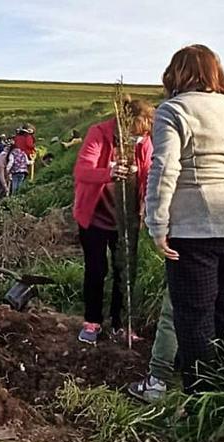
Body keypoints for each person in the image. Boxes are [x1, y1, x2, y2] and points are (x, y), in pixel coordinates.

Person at [145, 45, 224, 394]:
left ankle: (203, 399)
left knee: (194, 316)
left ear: (176, 74)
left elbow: (165, 168)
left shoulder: (173, 110)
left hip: (196, 228)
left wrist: (156, 225)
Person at [128, 219, 224, 402]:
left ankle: (160, 381)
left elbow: (163, 191)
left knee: (177, 312)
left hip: (198, 239)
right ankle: (219, 391)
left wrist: (158, 227)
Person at [72, 99, 155, 344]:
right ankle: (92, 322)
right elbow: (82, 170)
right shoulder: (99, 134)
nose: (138, 140)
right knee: (97, 269)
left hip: (125, 220)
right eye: (133, 135)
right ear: (121, 125)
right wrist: (109, 173)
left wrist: (146, 207)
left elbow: (149, 173)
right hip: (95, 217)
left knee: (124, 271)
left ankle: (121, 324)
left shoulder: (144, 141)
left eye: (142, 136)